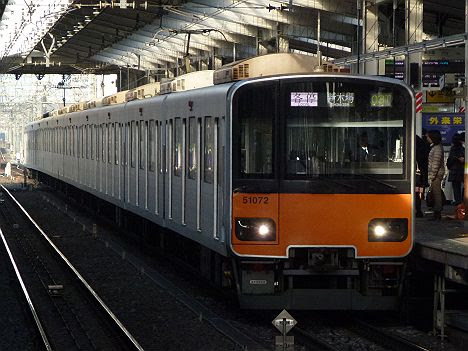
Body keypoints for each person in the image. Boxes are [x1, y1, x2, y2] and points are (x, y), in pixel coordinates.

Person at [427, 130, 445, 220]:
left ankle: (437, 213)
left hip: (436, 175)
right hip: (436, 174)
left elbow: (436, 163)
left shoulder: (437, 148)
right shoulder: (436, 147)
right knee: (435, 193)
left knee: (437, 194)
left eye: (428, 137)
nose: (427, 139)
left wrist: (432, 176)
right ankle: (436, 212)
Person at [446, 134, 465, 206]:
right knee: (462, 187)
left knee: (456, 188)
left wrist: (449, 166)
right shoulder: (463, 149)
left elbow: (450, 160)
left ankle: (458, 202)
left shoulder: (453, 149)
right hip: (462, 171)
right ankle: (461, 201)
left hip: (454, 171)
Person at [415, 134, 429, 217]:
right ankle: (418, 210)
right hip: (421, 176)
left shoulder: (417, 152)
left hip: (417, 176)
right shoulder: (424, 148)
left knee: (416, 193)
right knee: (418, 194)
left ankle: (417, 210)